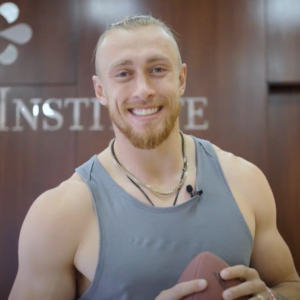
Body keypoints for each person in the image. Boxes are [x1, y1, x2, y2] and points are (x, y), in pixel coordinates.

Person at [8, 15, 300, 300]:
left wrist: (270, 297)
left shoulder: (244, 180)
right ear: (101, 90)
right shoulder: (60, 212)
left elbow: (289, 284)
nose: (144, 89)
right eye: (123, 74)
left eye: (158, 69)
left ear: (181, 78)